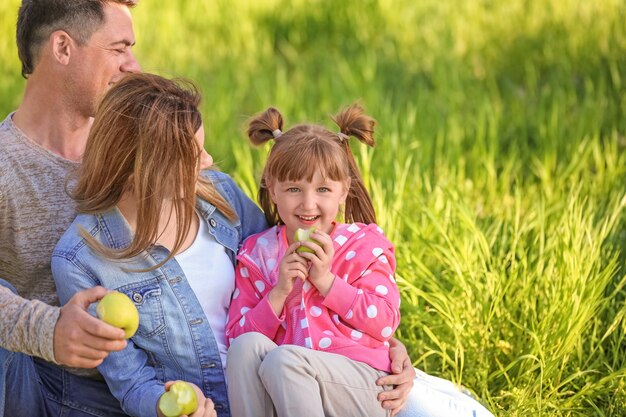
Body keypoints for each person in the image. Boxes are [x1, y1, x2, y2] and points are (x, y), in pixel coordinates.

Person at [0, 0, 142, 415]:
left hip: (142, 385)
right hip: (31, 386)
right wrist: (49, 330)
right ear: (62, 47)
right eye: (118, 49)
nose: (132, 65)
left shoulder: (138, 147)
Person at [224, 103, 401, 417]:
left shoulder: (362, 245)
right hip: (288, 385)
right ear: (272, 189)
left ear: (343, 191)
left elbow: (386, 321)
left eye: (323, 189)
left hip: (363, 384)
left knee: (284, 360)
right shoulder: (257, 254)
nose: (308, 204)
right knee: (244, 348)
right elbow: (236, 335)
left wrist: (327, 282)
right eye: (294, 188)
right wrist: (278, 293)